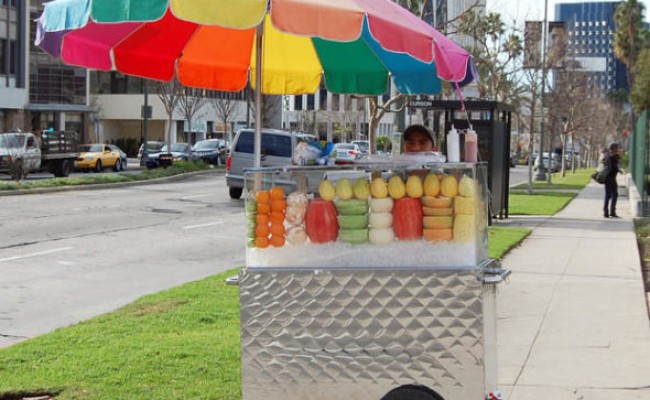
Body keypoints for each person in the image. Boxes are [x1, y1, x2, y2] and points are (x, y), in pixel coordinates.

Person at [602, 142, 621, 218]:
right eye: (616, 147)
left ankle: (606, 212)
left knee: (607, 195)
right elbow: (613, 167)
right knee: (614, 195)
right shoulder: (612, 156)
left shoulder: (606, 155)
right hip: (611, 178)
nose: (618, 149)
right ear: (613, 148)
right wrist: (617, 170)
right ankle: (612, 211)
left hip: (607, 178)